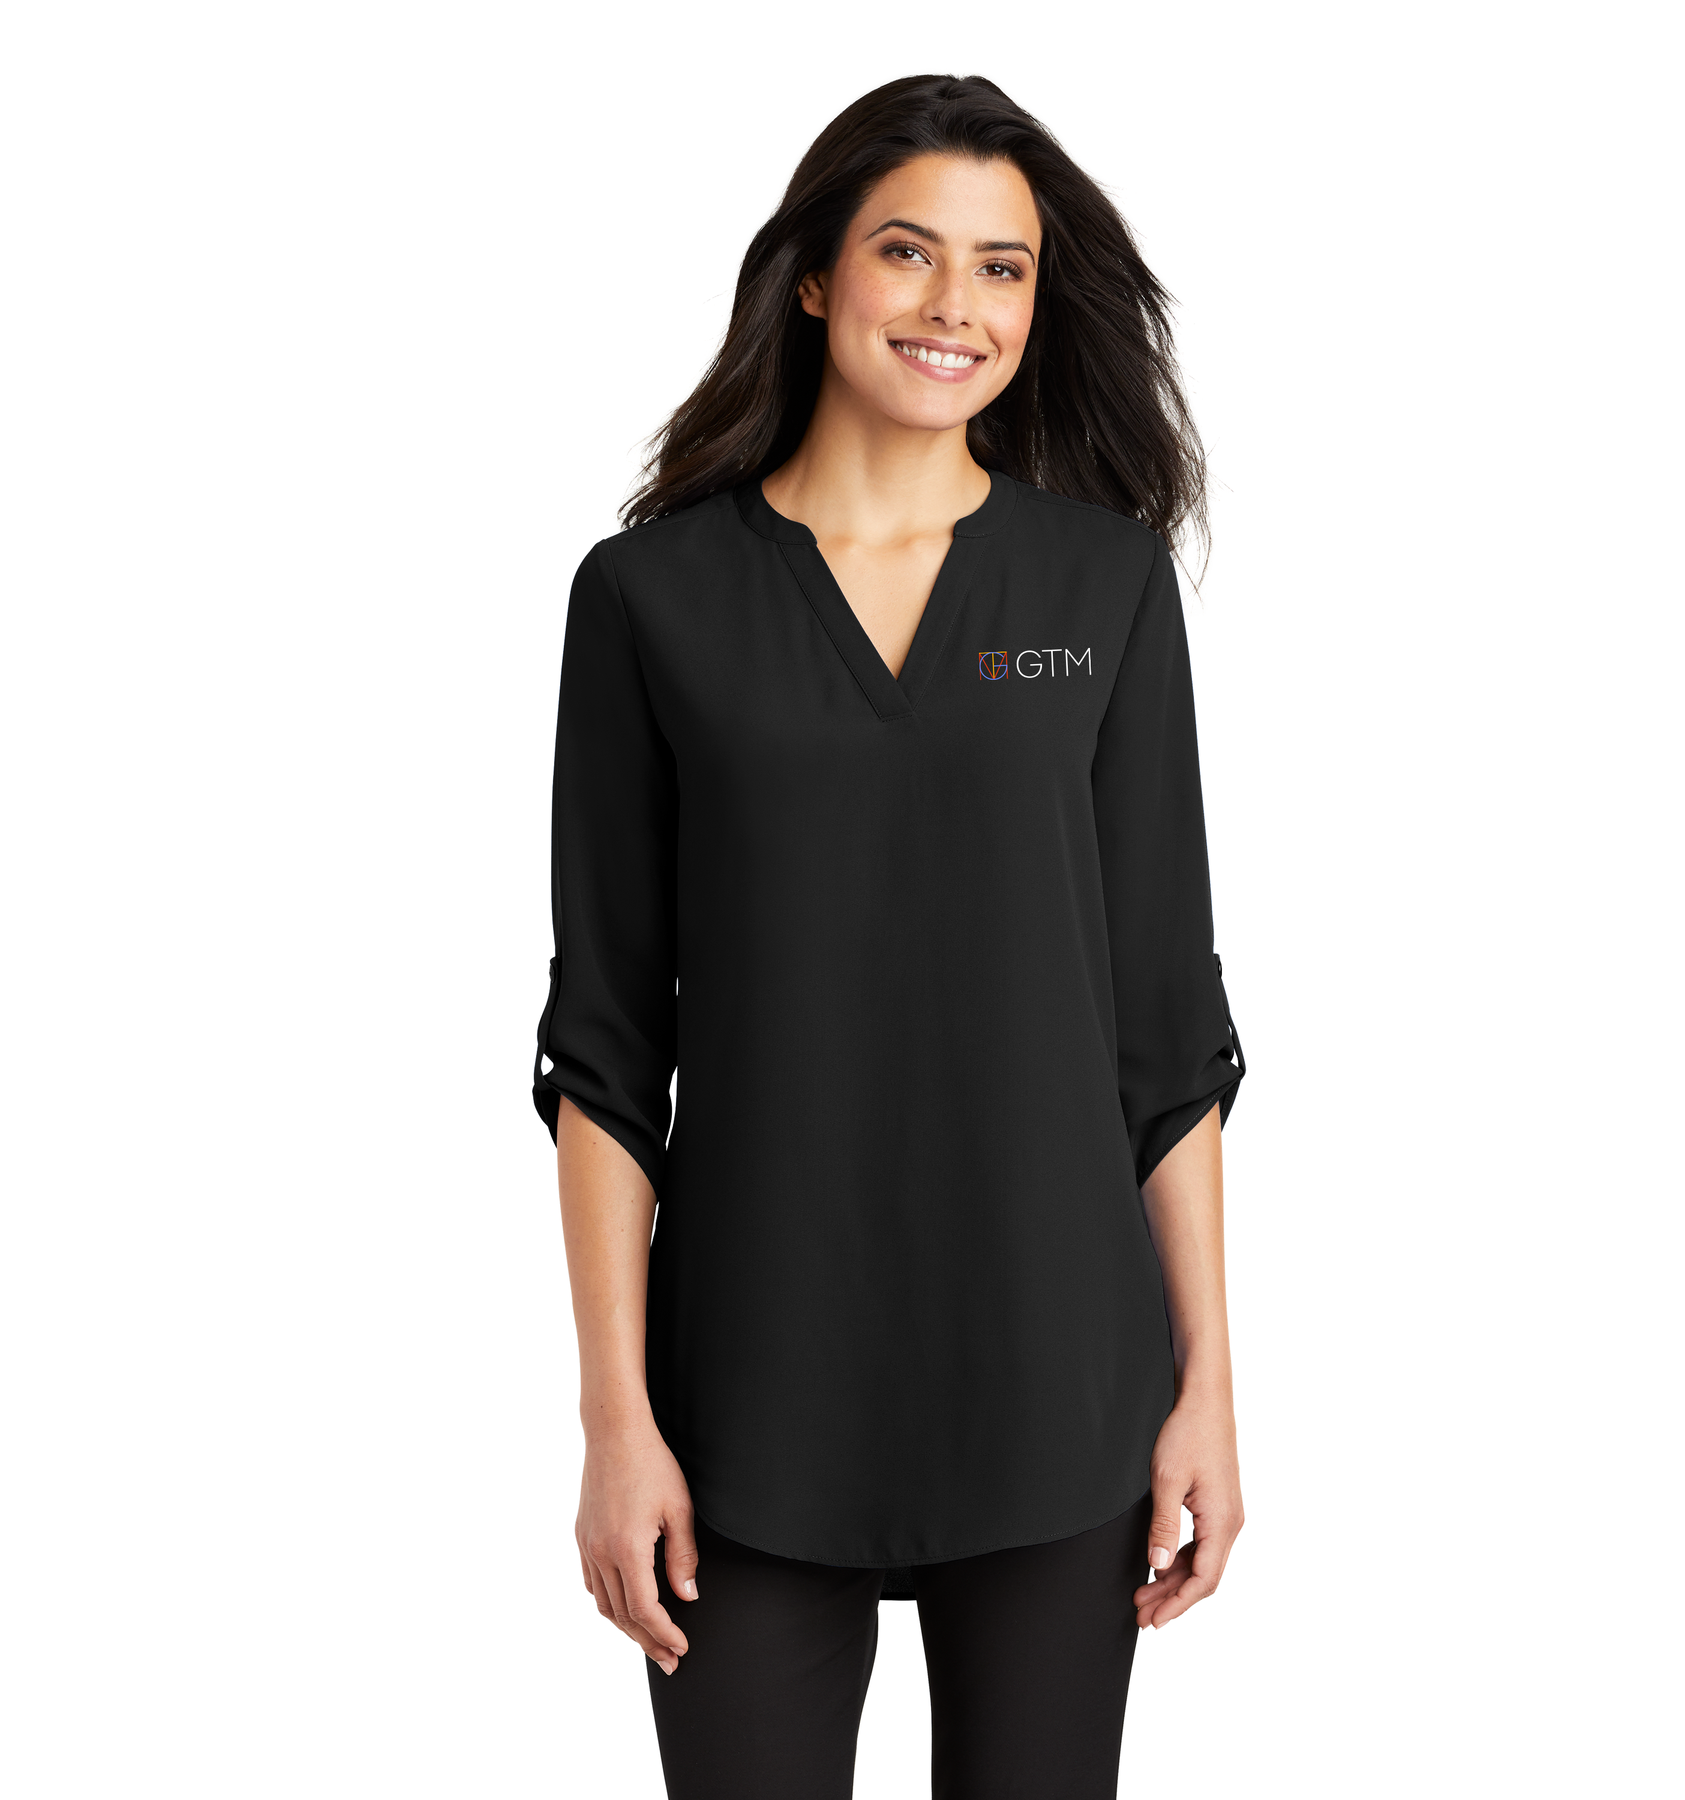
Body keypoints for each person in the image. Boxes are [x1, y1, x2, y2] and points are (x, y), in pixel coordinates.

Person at [533, 73, 1247, 1800]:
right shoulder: (650, 600)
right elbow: (607, 1049)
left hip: (1060, 1383)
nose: (957, 305)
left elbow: (1166, 1030)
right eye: (909, 252)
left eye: (1004, 268)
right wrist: (616, 1420)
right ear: (814, 275)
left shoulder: (1102, 587)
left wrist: (1209, 1385)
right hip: (748, 1401)